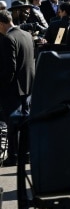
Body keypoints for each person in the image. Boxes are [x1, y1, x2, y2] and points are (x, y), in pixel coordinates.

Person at [0, 9, 34, 166]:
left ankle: (13, 155)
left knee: (13, 124)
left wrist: (3, 86)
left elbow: (10, 68)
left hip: (13, 89)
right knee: (25, 123)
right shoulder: (26, 34)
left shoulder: (8, 38)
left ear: (1, 24)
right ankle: (26, 153)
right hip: (27, 86)